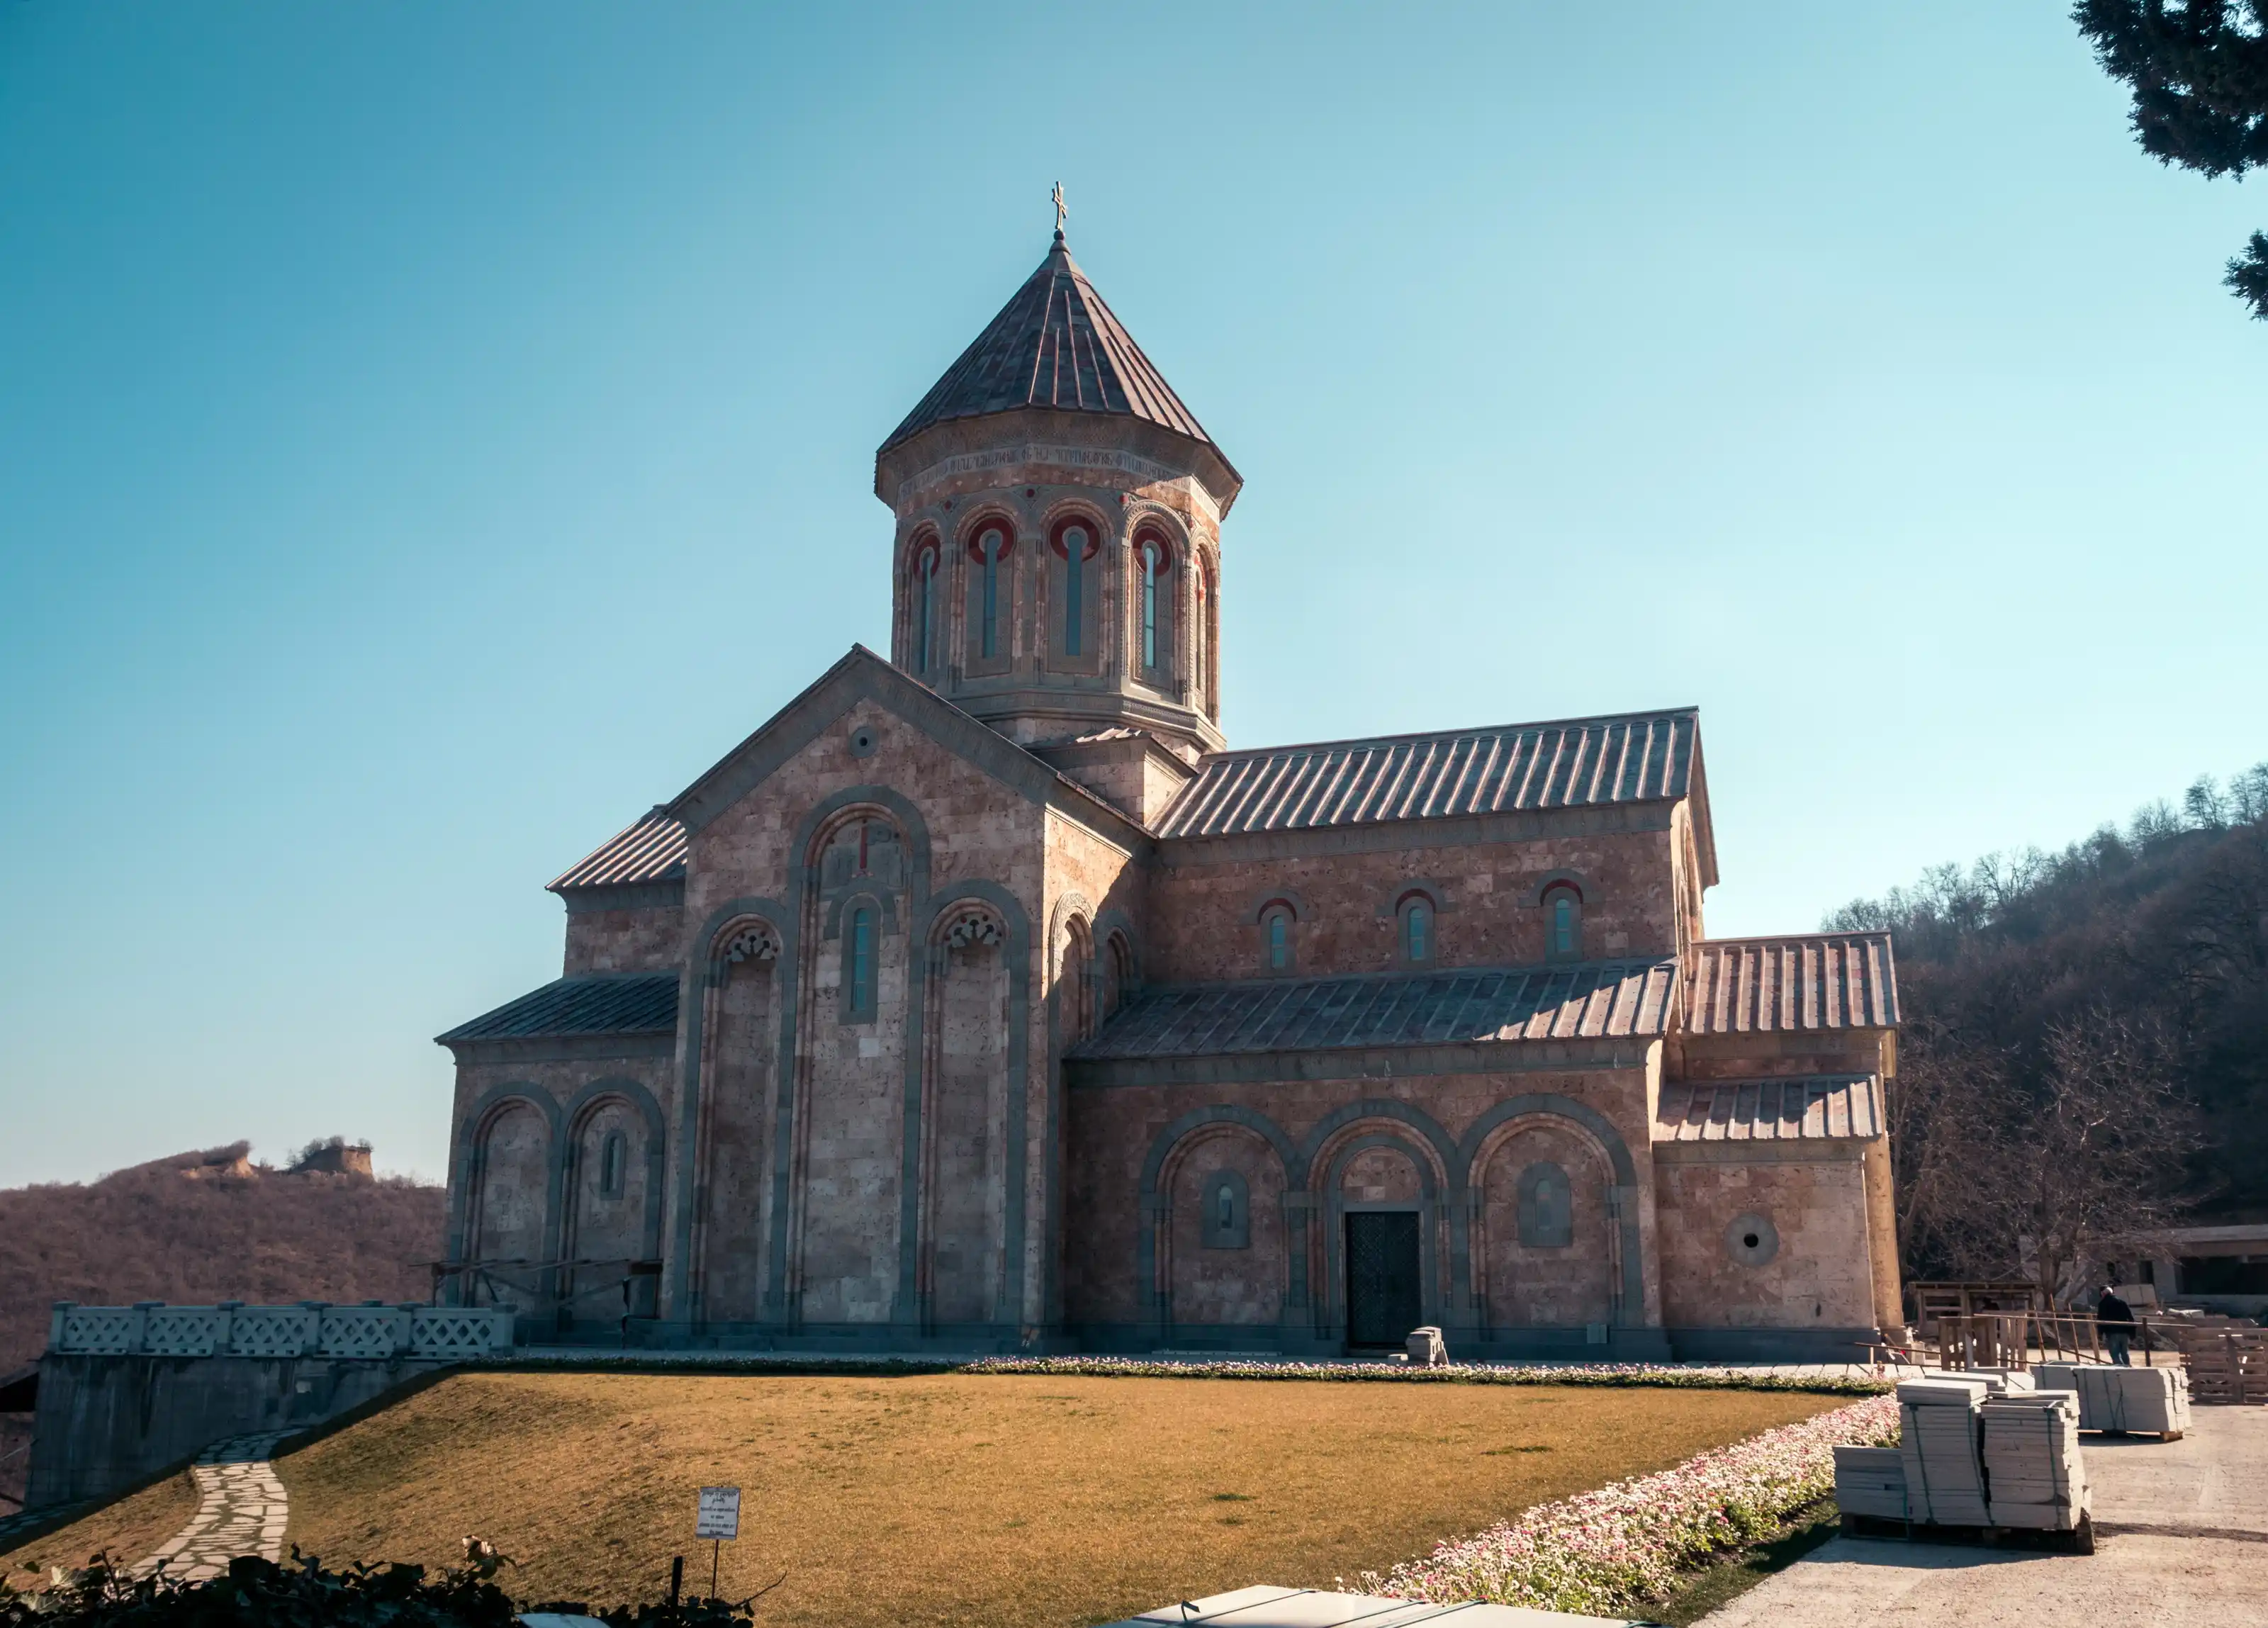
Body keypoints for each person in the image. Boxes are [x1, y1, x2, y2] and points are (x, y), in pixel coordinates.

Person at [2096, 1285, 2136, 1366]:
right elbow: (2130, 1318)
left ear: (2103, 1294)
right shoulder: (2122, 1302)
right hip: (2124, 1332)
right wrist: (2132, 1333)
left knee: (2115, 1354)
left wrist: (2100, 1334)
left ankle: (2121, 1370)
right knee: (2124, 1353)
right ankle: (2127, 1367)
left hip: (2112, 1332)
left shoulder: (2103, 1304)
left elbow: (2101, 1320)